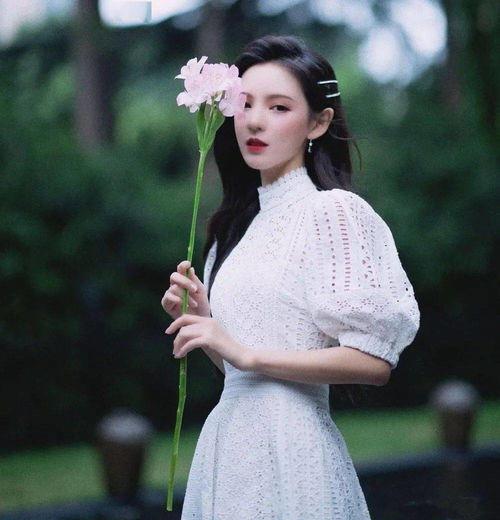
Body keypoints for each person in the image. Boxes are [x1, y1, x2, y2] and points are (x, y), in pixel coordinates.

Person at [162, 34, 420, 520]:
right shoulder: (233, 229)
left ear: (318, 123)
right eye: (245, 104)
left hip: (293, 447)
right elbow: (239, 373)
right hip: (227, 448)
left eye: (279, 107)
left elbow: (373, 361)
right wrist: (206, 323)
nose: (255, 121)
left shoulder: (333, 212)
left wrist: (246, 352)